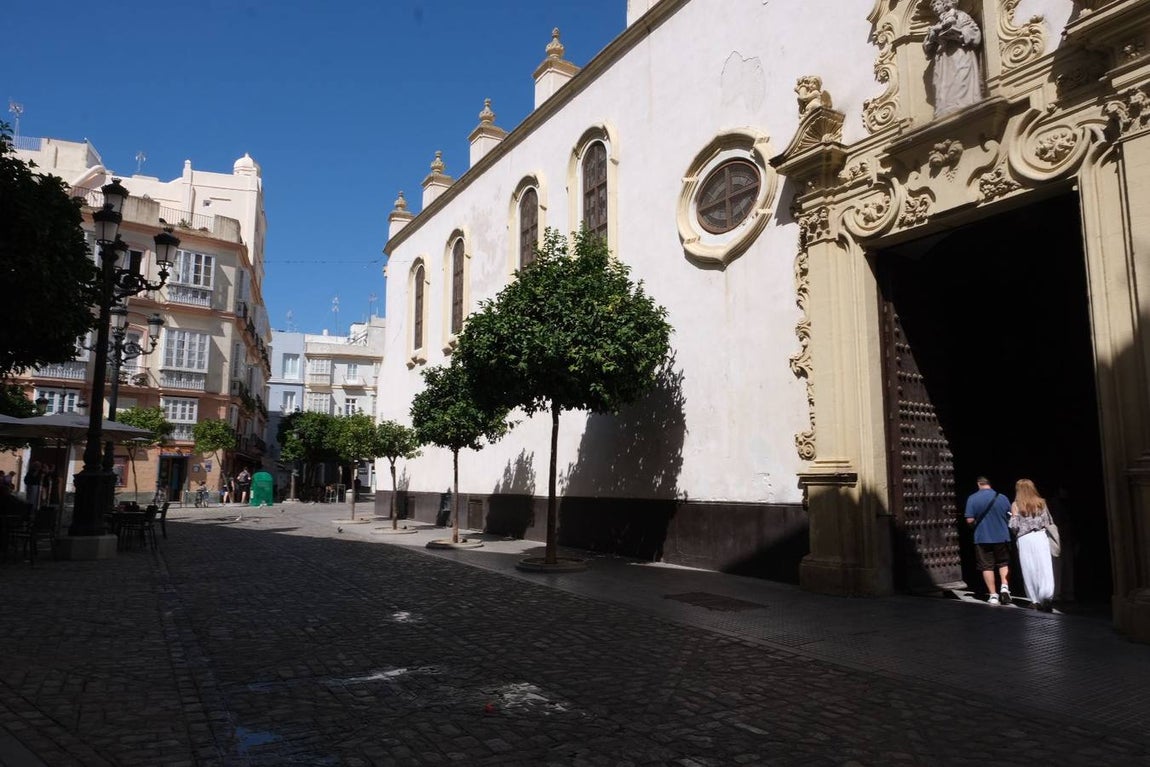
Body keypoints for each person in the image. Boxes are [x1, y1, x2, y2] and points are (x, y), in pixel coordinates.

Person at [923, 0, 983, 117]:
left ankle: (964, 103)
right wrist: (932, 37)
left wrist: (959, 33)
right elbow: (927, 50)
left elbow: (974, 33)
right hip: (943, 60)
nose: (935, 8)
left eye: (938, 4)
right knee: (942, 84)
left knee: (961, 77)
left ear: (946, 3)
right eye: (933, 6)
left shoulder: (960, 15)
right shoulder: (936, 24)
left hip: (960, 54)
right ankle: (944, 107)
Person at [964, 476, 1013, 605]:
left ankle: (993, 595)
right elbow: (1011, 516)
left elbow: (969, 520)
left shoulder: (972, 498)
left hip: (982, 537)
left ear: (978, 484)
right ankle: (1004, 586)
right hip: (1002, 536)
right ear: (989, 484)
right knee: (1003, 563)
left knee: (987, 566)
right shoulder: (1002, 497)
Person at [1009, 478, 1056, 611]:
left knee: (1029, 568)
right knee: (1045, 568)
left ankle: (1035, 600)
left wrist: (1013, 516)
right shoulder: (1042, 503)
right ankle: (1046, 596)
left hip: (1025, 540)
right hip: (1041, 537)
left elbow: (1014, 527)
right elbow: (1048, 521)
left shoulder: (1016, 505)